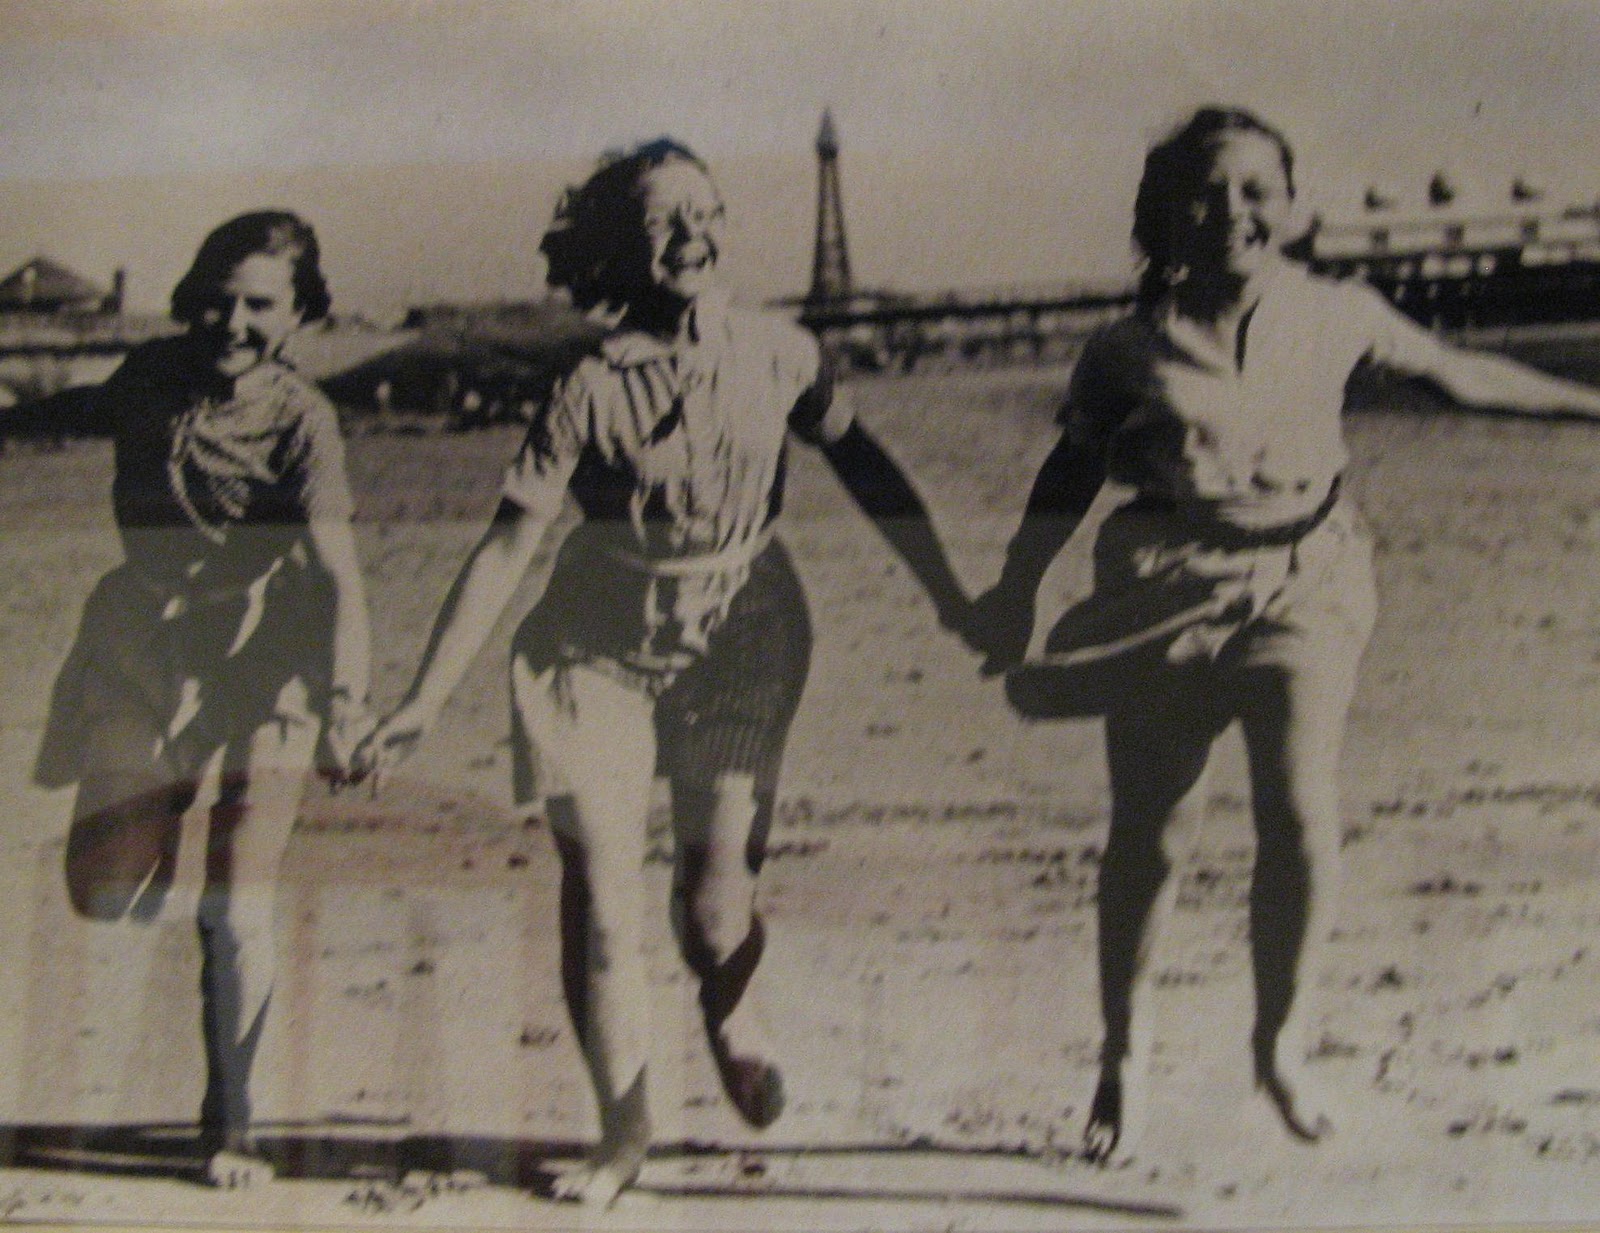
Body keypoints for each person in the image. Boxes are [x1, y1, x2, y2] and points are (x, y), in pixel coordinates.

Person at [968, 106, 1600, 1166]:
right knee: (1152, 834)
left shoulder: (1338, 310)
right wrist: (1015, 588)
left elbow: (1460, 375)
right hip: (1163, 589)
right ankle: (1123, 1055)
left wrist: (1590, 407)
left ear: (1295, 206)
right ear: (1163, 215)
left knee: (1299, 815)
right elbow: (1067, 473)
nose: (1233, 212)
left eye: (1258, 189)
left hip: (1309, 576)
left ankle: (1281, 1046)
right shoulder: (1123, 347)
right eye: (1206, 193)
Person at [356, 139, 965, 1208]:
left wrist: (950, 591)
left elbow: (865, 466)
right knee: (599, 899)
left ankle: (728, 1005)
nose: (690, 234)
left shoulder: (781, 352)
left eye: (705, 211)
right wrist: (418, 700)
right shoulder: (586, 386)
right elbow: (507, 546)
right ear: (616, 251)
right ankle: (623, 1131)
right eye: (659, 220)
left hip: (746, 626)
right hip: (595, 642)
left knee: (713, 911)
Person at [35, 211, 373, 1187]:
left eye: (259, 305)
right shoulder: (146, 374)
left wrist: (348, 701)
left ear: (299, 314)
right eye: (217, 300)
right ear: (192, 298)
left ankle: (235, 1120)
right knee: (104, 888)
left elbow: (339, 574)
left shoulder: (303, 419)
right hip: (142, 642)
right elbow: (62, 412)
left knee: (235, 904)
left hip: (270, 658)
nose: (233, 322)